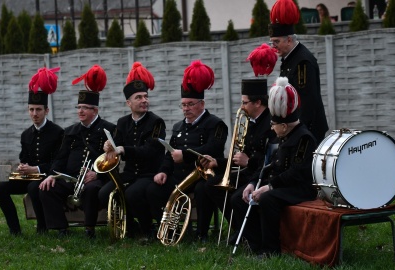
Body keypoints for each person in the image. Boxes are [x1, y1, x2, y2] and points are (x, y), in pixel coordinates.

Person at [230, 76, 317, 258]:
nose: (271, 126)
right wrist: (254, 182)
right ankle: (255, 244)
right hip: (281, 185)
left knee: (268, 199)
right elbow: (268, 164)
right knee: (239, 198)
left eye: (274, 124)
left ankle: (270, 249)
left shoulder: (304, 139)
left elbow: (296, 172)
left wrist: (270, 186)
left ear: (284, 126)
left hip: (300, 188)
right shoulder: (282, 136)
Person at [152, 60, 228, 243]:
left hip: (202, 176)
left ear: (202, 103)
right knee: (153, 189)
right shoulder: (178, 126)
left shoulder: (216, 124)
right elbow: (169, 154)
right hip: (179, 177)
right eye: (183, 105)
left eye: (190, 104)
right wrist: (163, 170)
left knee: (203, 190)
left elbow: (212, 149)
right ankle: (169, 230)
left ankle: (201, 233)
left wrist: (185, 155)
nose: (186, 109)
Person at [39, 65, 115, 238]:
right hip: (70, 177)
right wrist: (52, 175)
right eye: (78, 107)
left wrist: (96, 174)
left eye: (85, 108)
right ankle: (61, 228)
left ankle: (89, 228)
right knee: (46, 188)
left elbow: (112, 160)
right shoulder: (70, 131)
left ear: (95, 110)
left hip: (94, 177)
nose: (80, 111)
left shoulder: (108, 129)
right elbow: (61, 157)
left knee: (91, 190)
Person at [202, 78, 276, 244]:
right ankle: (239, 227)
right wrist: (217, 162)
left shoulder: (271, 124)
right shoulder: (251, 122)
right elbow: (240, 158)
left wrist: (248, 162)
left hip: (261, 176)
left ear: (257, 103)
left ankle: (248, 232)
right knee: (212, 185)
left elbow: (270, 160)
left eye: (245, 102)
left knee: (236, 196)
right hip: (247, 173)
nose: (242, 107)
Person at [99, 62, 166, 240]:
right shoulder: (122, 122)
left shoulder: (156, 122)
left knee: (132, 193)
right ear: (129, 103)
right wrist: (109, 146)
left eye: (145, 96)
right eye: (139, 97)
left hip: (148, 173)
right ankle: (130, 225)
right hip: (129, 174)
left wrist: (123, 150)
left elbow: (150, 151)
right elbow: (116, 145)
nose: (144, 100)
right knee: (104, 193)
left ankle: (148, 229)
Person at [0, 67, 63, 236]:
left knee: (34, 187)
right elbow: (24, 157)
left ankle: (43, 228)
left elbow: (58, 162)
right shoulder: (26, 134)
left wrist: (37, 169)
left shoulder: (58, 132)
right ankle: (15, 230)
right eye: (31, 110)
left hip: (47, 176)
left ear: (46, 111)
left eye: (38, 110)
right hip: (29, 175)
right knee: (0, 186)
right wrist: (22, 166)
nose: (34, 114)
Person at [268, 0, 329, 144]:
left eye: (276, 42)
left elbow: (307, 102)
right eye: (272, 42)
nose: (273, 47)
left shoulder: (302, 62)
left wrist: (298, 134)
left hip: (308, 131)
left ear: (289, 40)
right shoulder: (290, 58)